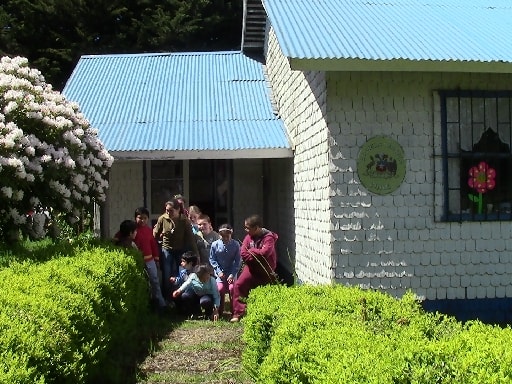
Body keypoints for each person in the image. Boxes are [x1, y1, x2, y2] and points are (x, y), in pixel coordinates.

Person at [230, 215, 278, 323]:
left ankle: (265, 314)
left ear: (256, 228)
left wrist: (251, 250)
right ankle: (238, 313)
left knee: (266, 290)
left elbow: (265, 253)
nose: (245, 230)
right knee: (239, 285)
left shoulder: (268, 238)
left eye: (247, 228)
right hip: (251, 267)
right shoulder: (248, 237)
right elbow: (243, 253)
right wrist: (256, 254)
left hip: (265, 269)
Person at [153, 199, 200, 298]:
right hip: (166, 249)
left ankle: (180, 296)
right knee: (167, 273)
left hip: (180, 249)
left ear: (178, 209)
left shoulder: (184, 221)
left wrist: (196, 255)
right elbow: (155, 234)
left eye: (171, 210)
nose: (168, 213)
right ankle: (167, 298)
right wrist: (158, 237)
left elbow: (191, 238)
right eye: (166, 210)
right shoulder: (162, 218)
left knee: (180, 273)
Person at [133, 207, 167, 310]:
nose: (142, 220)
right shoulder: (133, 230)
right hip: (137, 261)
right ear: (135, 218)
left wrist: (156, 259)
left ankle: (161, 304)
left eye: (145, 218)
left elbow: (153, 246)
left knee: (155, 281)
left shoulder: (149, 230)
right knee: (141, 282)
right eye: (140, 218)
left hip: (150, 261)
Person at [209, 224, 241, 317]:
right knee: (220, 289)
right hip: (220, 272)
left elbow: (238, 261)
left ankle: (234, 310)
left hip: (231, 271)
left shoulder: (235, 244)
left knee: (232, 289)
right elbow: (212, 259)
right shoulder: (215, 245)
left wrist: (232, 274)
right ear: (219, 235)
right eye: (223, 236)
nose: (225, 238)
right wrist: (218, 271)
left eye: (227, 236)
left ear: (231, 234)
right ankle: (219, 310)